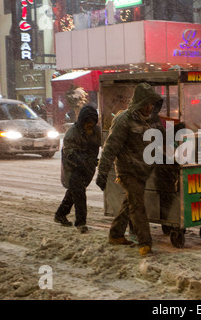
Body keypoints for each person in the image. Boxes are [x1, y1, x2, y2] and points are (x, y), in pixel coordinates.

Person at [95, 82, 164, 256]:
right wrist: (102, 172)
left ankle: (116, 234)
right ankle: (145, 242)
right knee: (137, 205)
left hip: (144, 169)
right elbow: (111, 147)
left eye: (152, 104)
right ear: (138, 103)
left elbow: (161, 140)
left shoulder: (153, 119)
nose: (149, 108)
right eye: (146, 104)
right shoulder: (123, 120)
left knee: (130, 202)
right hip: (128, 170)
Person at [54, 104, 101, 233]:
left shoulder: (97, 132)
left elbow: (106, 144)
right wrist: (86, 161)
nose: (90, 125)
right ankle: (81, 223)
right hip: (73, 167)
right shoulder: (72, 133)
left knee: (74, 191)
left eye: (92, 122)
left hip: (88, 169)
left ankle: (60, 214)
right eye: (88, 122)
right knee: (79, 193)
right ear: (82, 121)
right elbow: (71, 155)